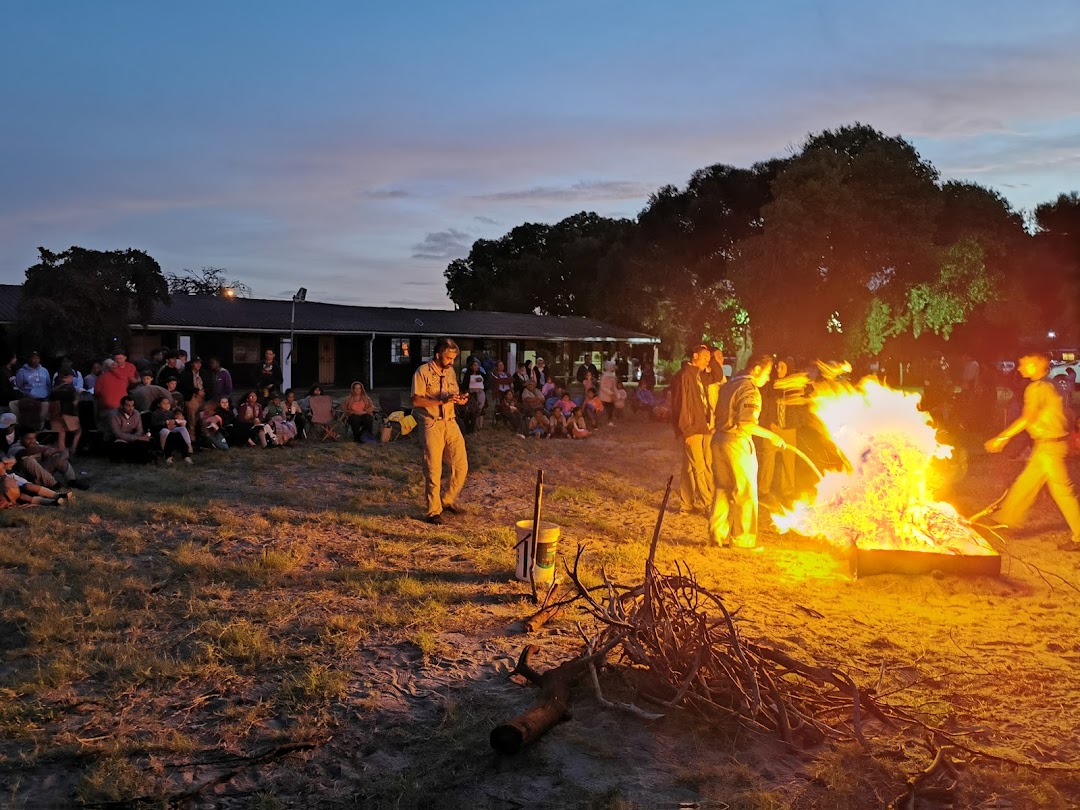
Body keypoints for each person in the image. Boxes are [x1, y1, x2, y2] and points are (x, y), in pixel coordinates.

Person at [984, 352, 1080, 551]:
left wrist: (1001, 438)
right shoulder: (1052, 384)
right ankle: (1007, 520)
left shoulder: (1037, 388)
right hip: (1049, 444)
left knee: (1063, 492)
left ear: (1037, 365)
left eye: (1024, 364)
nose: (1019, 368)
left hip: (1050, 446)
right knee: (1025, 484)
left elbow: (1028, 418)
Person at [709, 355, 786, 549]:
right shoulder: (750, 390)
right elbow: (746, 424)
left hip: (718, 440)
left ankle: (716, 537)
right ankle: (743, 540)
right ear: (757, 369)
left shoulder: (728, 385)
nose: (768, 378)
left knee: (722, 489)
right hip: (737, 443)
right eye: (768, 373)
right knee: (745, 492)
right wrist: (772, 436)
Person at [411, 338, 469, 524]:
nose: (452, 361)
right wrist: (441, 401)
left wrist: (458, 399)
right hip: (432, 423)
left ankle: (447, 500)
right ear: (438, 355)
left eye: (454, 358)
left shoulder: (450, 372)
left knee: (461, 465)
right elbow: (416, 401)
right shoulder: (422, 372)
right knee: (433, 468)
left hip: (450, 422)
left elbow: (451, 395)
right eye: (448, 357)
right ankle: (433, 511)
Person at [670, 344, 715, 516]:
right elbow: (682, 405)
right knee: (699, 467)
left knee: (689, 468)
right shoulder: (684, 376)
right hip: (692, 428)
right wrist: (687, 430)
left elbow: (717, 375)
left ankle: (686, 505)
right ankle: (708, 504)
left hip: (700, 426)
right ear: (695, 356)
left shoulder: (697, 375)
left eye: (709, 359)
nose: (707, 362)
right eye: (704, 358)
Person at [106, 396, 154, 463]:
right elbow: (117, 434)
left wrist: (136, 438)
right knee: (119, 446)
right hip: (118, 440)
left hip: (133, 439)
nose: (131, 408)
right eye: (128, 406)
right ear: (122, 406)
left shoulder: (136, 413)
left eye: (132, 406)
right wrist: (136, 438)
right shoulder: (113, 415)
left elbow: (139, 430)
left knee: (147, 442)